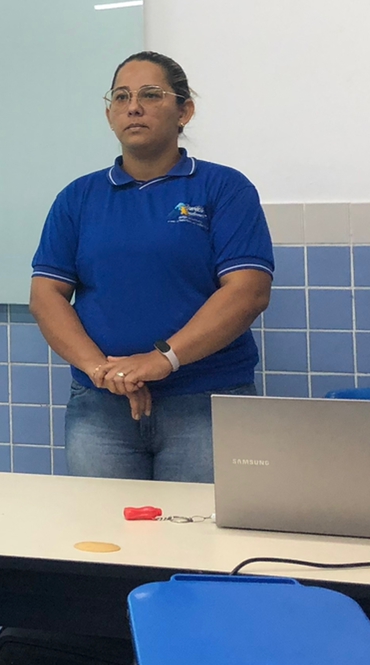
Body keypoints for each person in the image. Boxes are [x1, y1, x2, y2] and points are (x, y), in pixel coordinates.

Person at [29, 52, 273, 482]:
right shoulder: (78, 197)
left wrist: (164, 359)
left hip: (206, 402)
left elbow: (248, 291)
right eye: (121, 97)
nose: (134, 107)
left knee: (199, 525)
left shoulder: (225, 188)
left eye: (151, 95)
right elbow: (46, 295)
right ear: (109, 114)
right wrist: (102, 370)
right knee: (103, 524)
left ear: (185, 111)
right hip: (100, 407)